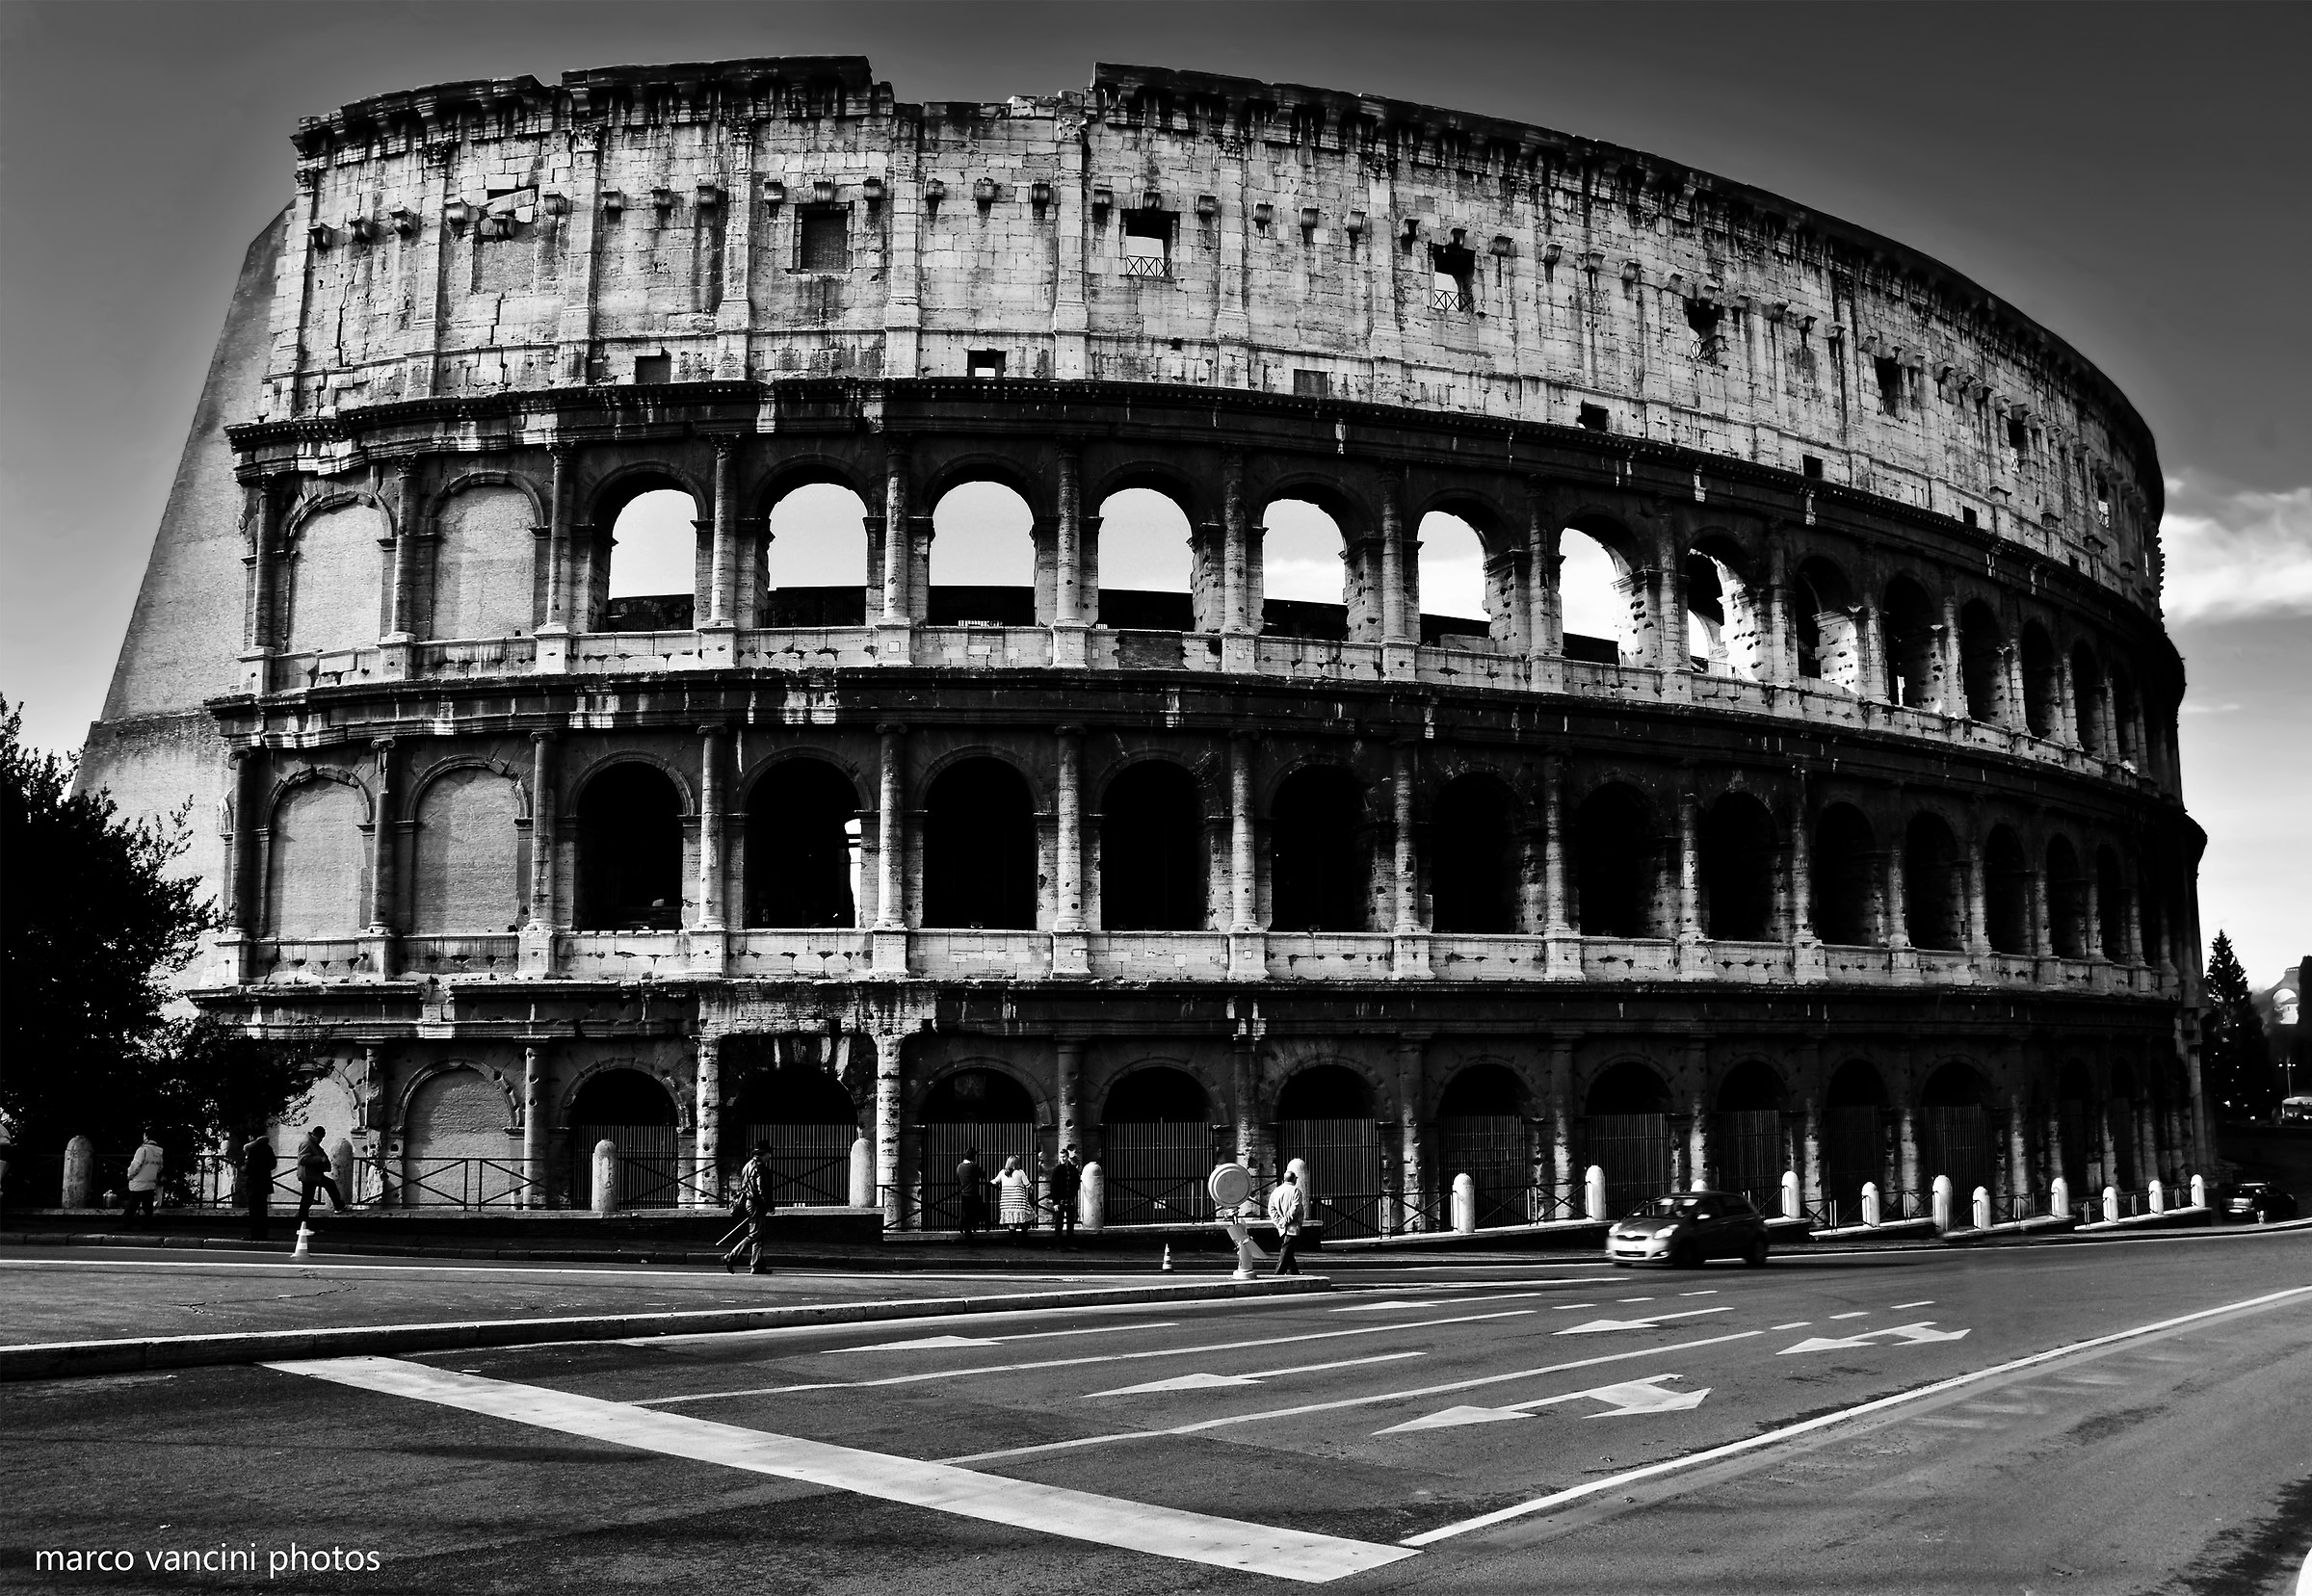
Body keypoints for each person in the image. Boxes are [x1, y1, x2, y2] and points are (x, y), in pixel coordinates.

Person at [724, 1139, 774, 1275]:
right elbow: (761, 1189)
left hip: (749, 1202)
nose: (770, 1156)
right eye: (769, 1154)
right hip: (756, 1203)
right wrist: (768, 1204)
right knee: (754, 1234)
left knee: (760, 1235)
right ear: (763, 1154)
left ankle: (757, 1266)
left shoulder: (747, 1165)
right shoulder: (759, 1167)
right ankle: (731, 1256)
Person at [293, 1127, 348, 1224]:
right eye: (319, 1138)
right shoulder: (307, 1143)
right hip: (308, 1175)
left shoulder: (311, 1142)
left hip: (313, 1174)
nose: (320, 1140)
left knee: (328, 1186)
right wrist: (320, 1159)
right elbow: (302, 1160)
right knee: (308, 1198)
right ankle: (302, 1220)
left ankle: (338, 1206)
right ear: (314, 1135)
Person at [240, 1130, 278, 1242]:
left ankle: (255, 1234)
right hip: (265, 1182)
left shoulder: (252, 1149)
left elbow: (248, 1168)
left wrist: (243, 1168)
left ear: (252, 1137)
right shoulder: (268, 1148)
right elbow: (273, 1164)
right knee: (262, 1210)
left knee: (254, 1211)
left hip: (254, 1183)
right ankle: (263, 1234)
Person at [122, 1130, 165, 1227]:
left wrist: (130, 1175)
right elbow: (160, 1167)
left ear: (146, 1136)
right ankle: (147, 1225)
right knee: (148, 1206)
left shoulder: (142, 1150)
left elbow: (136, 1165)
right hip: (150, 1183)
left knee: (132, 1206)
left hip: (138, 1182)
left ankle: (126, 1225)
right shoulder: (159, 1151)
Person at [1267, 1169, 1304, 1275]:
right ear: (1293, 1179)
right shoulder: (1296, 1191)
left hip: (1281, 1226)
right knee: (1286, 1249)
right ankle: (1278, 1273)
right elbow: (1295, 1208)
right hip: (1292, 1225)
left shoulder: (1276, 1191)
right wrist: (1286, 1220)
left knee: (1289, 1250)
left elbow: (1271, 1208)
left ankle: (1295, 1273)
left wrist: (1278, 1221)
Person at [1047, 1144, 1082, 1239]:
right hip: (1060, 1200)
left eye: (1064, 1157)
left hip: (1070, 1199)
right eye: (1061, 1157)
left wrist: (1073, 1194)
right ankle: (1058, 1243)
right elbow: (1053, 1187)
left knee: (1071, 1223)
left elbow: (1076, 1183)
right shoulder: (1057, 1170)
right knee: (1059, 1223)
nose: (1062, 1159)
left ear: (1067, 1157)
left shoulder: (1073, 1169)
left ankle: (1070, 1243)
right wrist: (1055, 1202)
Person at [995, 1156, 1034, 1239]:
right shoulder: (1020, 1172)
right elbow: (1027, 1184)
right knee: (1029, 1215)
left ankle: (1014, 1240)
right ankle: (1023, 1235)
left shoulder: (1002, 1172)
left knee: (1011, 1221)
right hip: (1019, 1201)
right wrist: (1031, 1188)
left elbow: (995, 1181)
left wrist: (991, 1182)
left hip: (1006, 1202)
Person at [955, 1148, 985, 1242]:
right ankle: (968, 1234)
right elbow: (983, 1175)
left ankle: (963, 1224)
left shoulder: (959, 1166)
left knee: (967, 1214)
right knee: (980, 1212)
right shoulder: (973, 1166)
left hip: (964, 1194)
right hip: (973, 1194)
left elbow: (957, 1179)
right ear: (973, 1157)